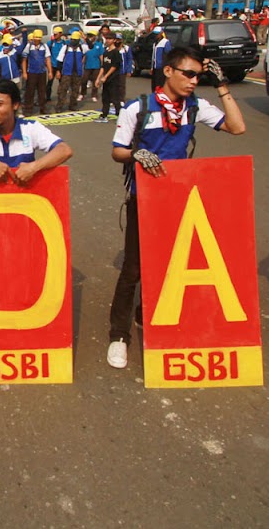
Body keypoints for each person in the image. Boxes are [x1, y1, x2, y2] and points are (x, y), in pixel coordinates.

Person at [106, 46, 247, 369]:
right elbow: (117, 151)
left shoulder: (196, 106)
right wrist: (136, 154)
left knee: (171, 265)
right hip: (143, 197)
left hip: (180, 198)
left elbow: (237, 128)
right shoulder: (138, 108)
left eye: (199, 75)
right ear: (168, 71)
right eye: (188, 73)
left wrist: (222, 85)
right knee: (133, 269)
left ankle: (149, 316)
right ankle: (119, 335)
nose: (194, 81)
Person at [21, 30, 53, 116]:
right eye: (36, 39)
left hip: (42, 72)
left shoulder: (44, 46)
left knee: (42, 91)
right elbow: (24, 60)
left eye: (38, 39)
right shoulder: (29, 46)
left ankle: (43, 108)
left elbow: (48, 59)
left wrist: (50, 71)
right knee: (30, 92)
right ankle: (28, 109)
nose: (37, 40)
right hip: (31, 72)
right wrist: (24, 72)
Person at [94, 36, 125, 123]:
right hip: (106, 80)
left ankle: (120, 115)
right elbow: (103, 66)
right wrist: (98, 78)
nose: (108, 40)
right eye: (107, 39)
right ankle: (104, 115)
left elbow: (114, 66)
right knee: (105, 98)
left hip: (114, 79)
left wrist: (106, 76)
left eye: (110, 38)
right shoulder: (106, 52)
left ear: (114, 40)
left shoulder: (116, 52)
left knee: (115, 98)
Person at [55, 31, 85, 113]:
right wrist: (58, 71)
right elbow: (59, 60)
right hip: (67, 72)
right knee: (63, 90)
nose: (73, 41)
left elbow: (91, 46)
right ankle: (59, 106)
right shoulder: (66, 47)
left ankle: (73, 105)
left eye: (75, 40)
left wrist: (84, 36)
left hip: (77, 72)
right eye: (72, 39)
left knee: (75, 90)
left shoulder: (81, 48)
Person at [81, 32, 104, 104]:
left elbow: (101, 55)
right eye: (89, 35)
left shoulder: (99, 45)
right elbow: (84, 55)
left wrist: (102, 64)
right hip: (87, 65)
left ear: (95, 36)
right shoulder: (85, 45)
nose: (90, 37)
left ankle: (94, 95)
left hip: (96, 65)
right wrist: (82, 62)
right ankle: (82, 93)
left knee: (95, 81)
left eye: (91, 35)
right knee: (84, 80)